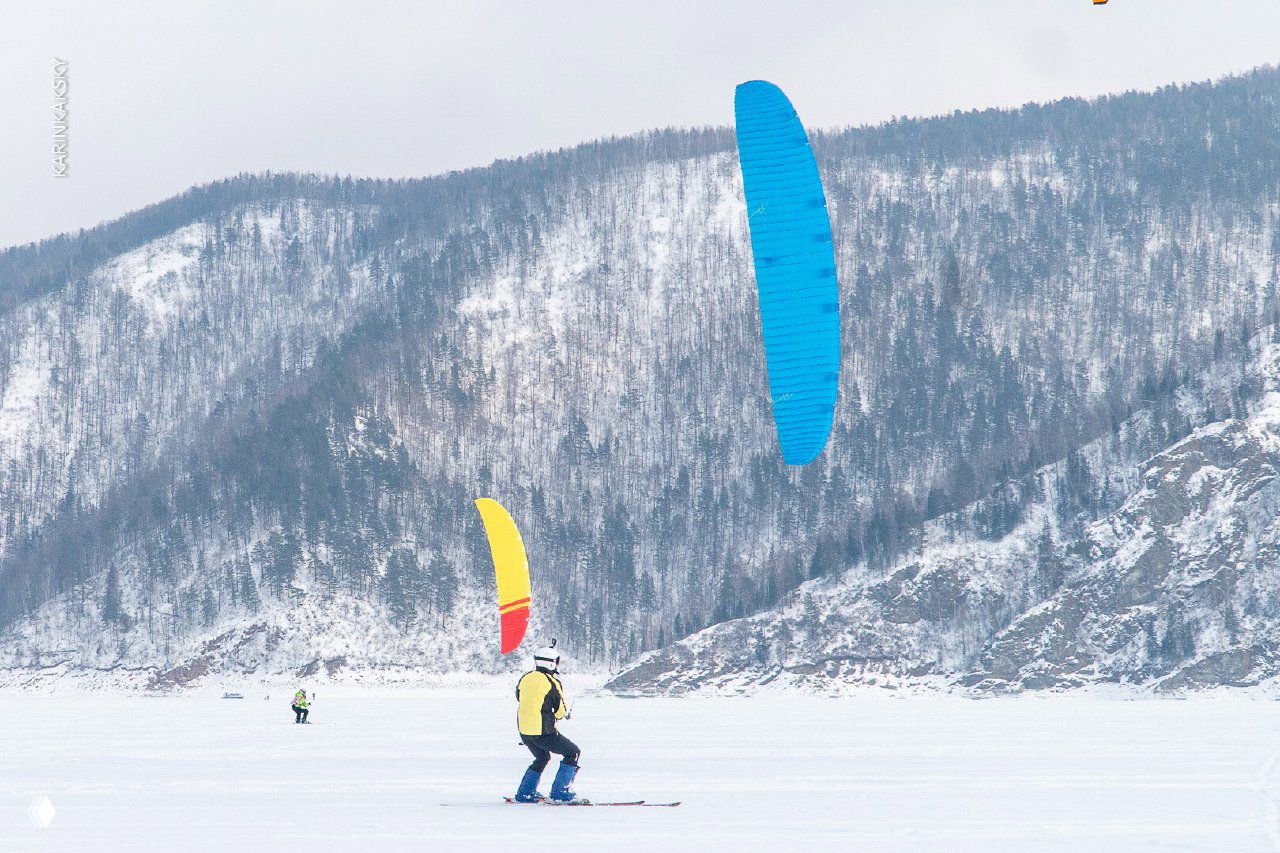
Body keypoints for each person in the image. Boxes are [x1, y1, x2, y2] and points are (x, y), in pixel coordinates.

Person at [513, 643, 584, 804]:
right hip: (543, 732)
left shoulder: (525, 678)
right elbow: (560, 711)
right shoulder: (552, 682)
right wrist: (564, 715)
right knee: (572, 753)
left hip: (524, 731)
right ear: (552, 663)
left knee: (542, 757)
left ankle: (525, 793)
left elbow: (519, 697)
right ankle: (561, 793)